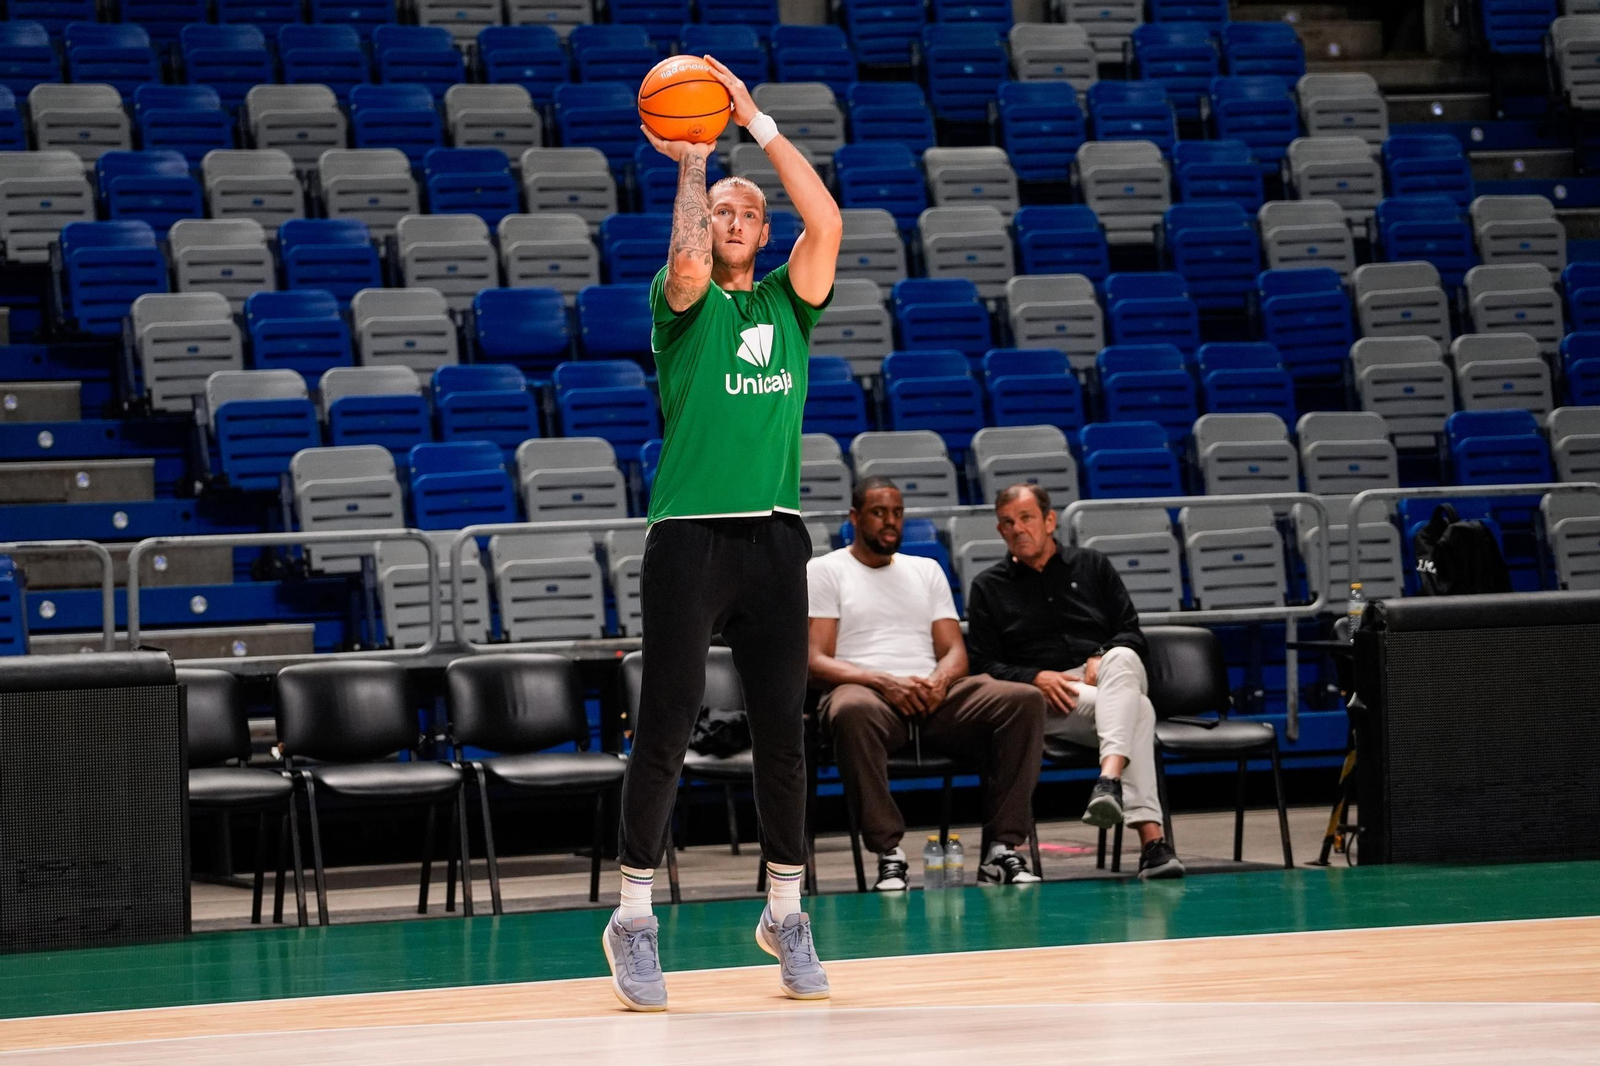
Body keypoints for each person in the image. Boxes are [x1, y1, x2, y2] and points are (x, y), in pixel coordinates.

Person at [604, 55, 842, 1012]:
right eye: (723, 213)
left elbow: (826, 222)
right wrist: (697, 164)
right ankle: (632, 917)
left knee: (782, 733)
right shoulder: (681, 297)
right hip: (690, 536)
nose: (732, 223)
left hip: (777, 537)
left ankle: (785, 911)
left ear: (765, 230)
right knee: (666, 724)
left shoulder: (792, 299)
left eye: (748, 212)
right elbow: (691, 260)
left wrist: (760, 122)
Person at [808, 477, 1047, 891]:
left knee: (1023, 699)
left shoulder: (926, 570)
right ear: (854, 518)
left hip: (934, 696)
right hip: (868, 695)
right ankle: (889, 852)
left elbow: (955, 651)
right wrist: (884, 681)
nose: (890, 522)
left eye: (897, 514)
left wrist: (938, 681)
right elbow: (816, 659)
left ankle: (1002, 849)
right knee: (849, 709)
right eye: (879, 513)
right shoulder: (827, 570)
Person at [965, 484, 1186, 881]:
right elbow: (982, 663)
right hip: (1039, 702)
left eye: (1026, 518)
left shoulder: (1092, 566)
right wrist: (1033, 676)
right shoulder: (988, 586)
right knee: (1140, 709)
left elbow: (1131, 632)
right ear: (1000, 532)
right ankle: (1151, 842)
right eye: (1008, 523)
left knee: (1123, 658)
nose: (1018, 529)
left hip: (1102, 685)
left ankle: (1109, 780)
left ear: (1050, 521)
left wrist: (1101, 653)